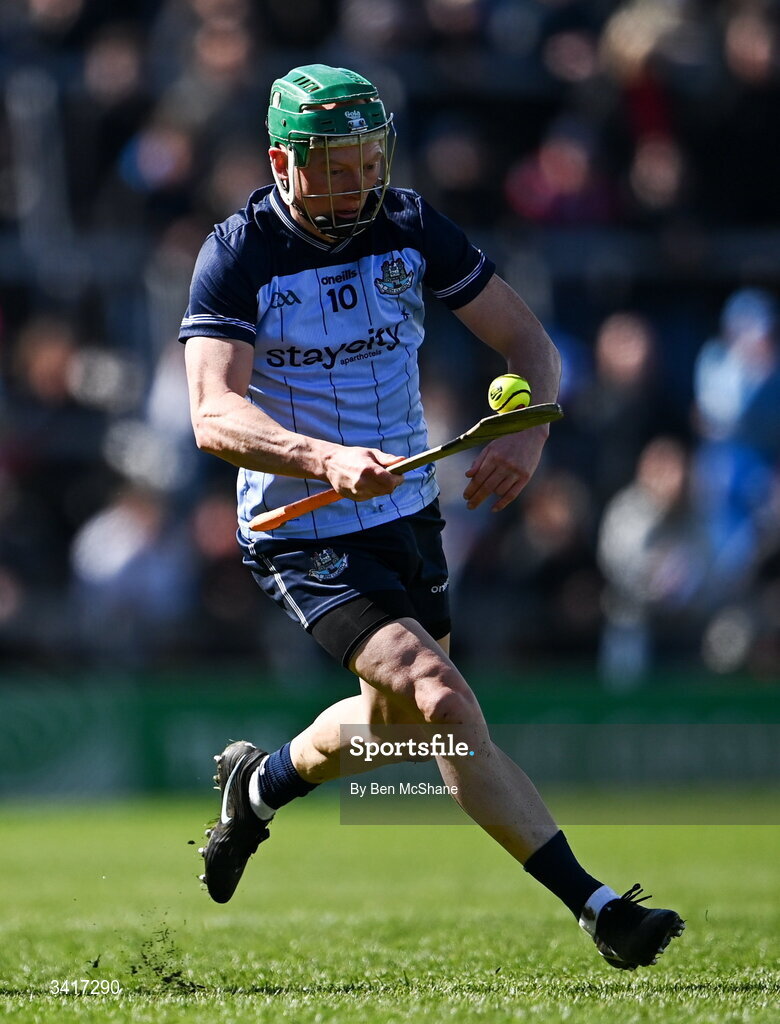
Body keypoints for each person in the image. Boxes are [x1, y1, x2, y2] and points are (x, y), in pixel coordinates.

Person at [180, 63, 684, 971]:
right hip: (302, 520)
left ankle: (257, 788)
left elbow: (531, 342)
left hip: (407, 510)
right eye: (332, 166)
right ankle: (600, 907)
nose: (356, 184)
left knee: (405, 725)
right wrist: (322, 456)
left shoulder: (412, 225)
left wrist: (527, 435)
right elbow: (213, 414)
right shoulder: (240, 251)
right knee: (440, 692)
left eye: (367, 161)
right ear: (281, 164)